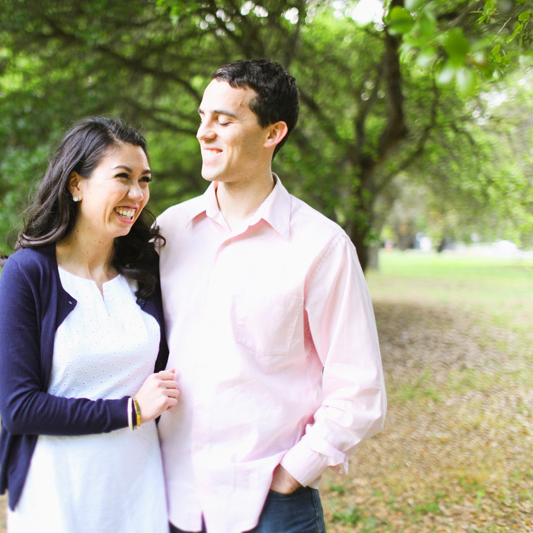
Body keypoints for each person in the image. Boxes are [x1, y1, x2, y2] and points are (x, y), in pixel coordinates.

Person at [156, 59, 387, 533]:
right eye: (203, 117)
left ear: (272, 133)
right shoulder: (168, 231)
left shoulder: (321, 246)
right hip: (170, 499)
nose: (204, 132)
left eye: (223, 120)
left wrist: (291, 472)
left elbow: (359, 388)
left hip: (270, 507)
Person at [0, 116, 178, 532]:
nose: (137, 194)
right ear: (77, 184)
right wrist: (129, 411)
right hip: (58, 490)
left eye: (144, 180)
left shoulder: (145, 271)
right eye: (122, 177)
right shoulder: (29, 274)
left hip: (139, 486)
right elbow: (20, 408)